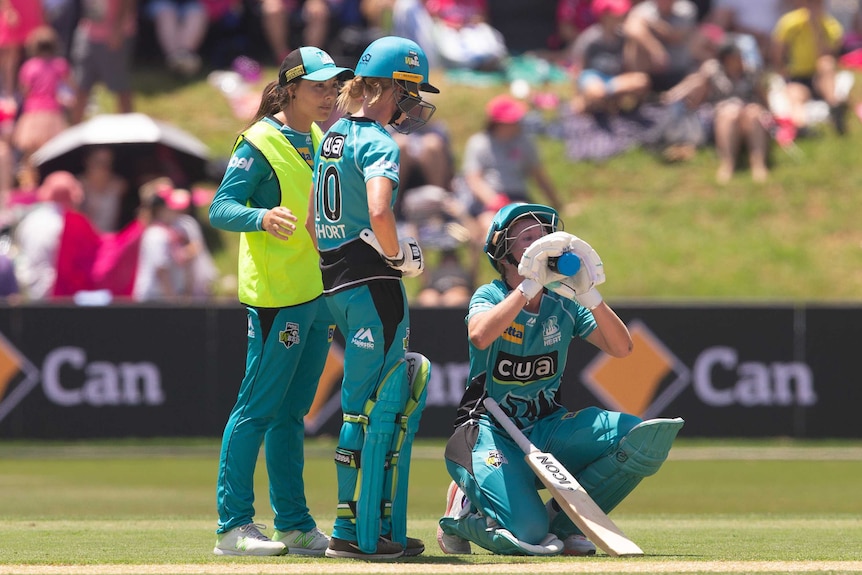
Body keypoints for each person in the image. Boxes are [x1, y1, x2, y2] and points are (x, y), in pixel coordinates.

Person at [435, 202, 684, 556]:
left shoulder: (564, 304)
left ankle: (564, 526)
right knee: (528, 532)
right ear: (504, 253)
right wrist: (526, 290)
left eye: (546, 235)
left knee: (639, 439)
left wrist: (589, 294)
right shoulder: (490, 295)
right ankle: (463, 513)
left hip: (544, 428)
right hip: (487, 431)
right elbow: (480, 335)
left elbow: (622, 347)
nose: (544, 243)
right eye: (529, 238)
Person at [208, 46, 353, 557]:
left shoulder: (318, 136)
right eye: (319, 87)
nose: (329, 95)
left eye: (333, 87)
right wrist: (262, 217)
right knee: (257, 409)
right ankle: (234, 527)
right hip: (276, 297)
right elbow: (221, 207)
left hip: (315, 294)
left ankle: (292, 523)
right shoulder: (259, 141)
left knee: (295, 415)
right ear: (289, 88)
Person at [311, 35, 437, 560]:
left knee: (358, 407)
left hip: (334, 280)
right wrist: (397, 257)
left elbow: (322, 222)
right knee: (380, 406)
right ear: (389, 88)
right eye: (409, 91)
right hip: (373, 283)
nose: (413, 104)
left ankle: (363, 524)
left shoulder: (333, 135)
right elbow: (380, 210)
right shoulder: (379, 142)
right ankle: (359, 532)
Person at [459, 94, 563, 245]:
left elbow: (538, 175)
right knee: (492, 228)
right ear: (499, 123)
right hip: (489, 201)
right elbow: (474, 179)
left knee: (534, 229)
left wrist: (555, 203)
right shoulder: (479, 143)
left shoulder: (524, 142)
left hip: (518, 197)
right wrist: (493, 200)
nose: (518, 123)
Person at [771, 0, 848, 135]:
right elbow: (778, 52)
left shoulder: (830, 25)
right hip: (798, 77)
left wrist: (816, 29)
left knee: (826, 64)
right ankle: (802, 126)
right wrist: (782, 71)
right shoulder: (789, 22)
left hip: (820, 77)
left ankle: (834, 106)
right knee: (796, 95)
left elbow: (830, 54)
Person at [569, 0, 651, 115]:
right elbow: (578, 68)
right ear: (605, 16)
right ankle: (594, 101)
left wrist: (634, 40)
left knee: (641, 81)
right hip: (593, 77)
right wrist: (577, 94)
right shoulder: (590, 38)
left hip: (614, 78)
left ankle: (610, 102)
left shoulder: (623, 37)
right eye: (616, 15)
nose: (621, 17)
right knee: (596, 91)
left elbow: (631, 65)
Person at [12, 25, 74, 166]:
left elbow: (24, 90)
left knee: (30, 154)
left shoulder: (29, 67)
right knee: (52, 152)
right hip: (53, 113)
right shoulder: (60, 65)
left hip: (33, 113)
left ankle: (29, 181)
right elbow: (70, 86)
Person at [69, 0, 136, 124]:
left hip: (114, 35)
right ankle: (75, 131)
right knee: (81, 86)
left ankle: (128, 134)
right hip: (87, 33)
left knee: (120, 86)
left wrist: (118, 29)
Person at [143, 0, 209, 77]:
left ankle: (183, 57)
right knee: (166, 14)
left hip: (191, 3)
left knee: (196, 13)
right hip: (161, 3)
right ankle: (177, 60)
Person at [78, 146, 129, 233]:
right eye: (98, 162)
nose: (103, 167)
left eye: (107, 163)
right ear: (88, 161)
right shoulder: (78, 185)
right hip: (85, 238)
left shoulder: (119, 185)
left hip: (111, 238)